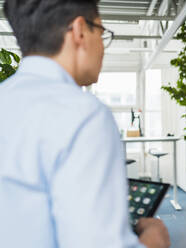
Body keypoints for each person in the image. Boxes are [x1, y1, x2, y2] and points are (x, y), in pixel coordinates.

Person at [0, 1, 170, 248]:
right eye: (101, 33)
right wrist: (155, 240)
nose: (103, 47)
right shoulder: (84, 116)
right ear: (80, 30)